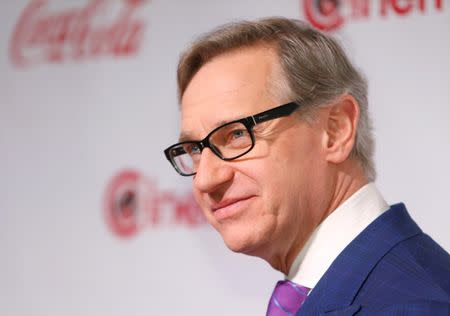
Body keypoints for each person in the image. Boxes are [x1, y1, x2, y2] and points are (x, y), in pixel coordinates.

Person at [164, 17, 450, 315]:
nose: (205, 180)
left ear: (335, 130)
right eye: (195, 150)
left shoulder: (418, 307)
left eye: (237, 134)